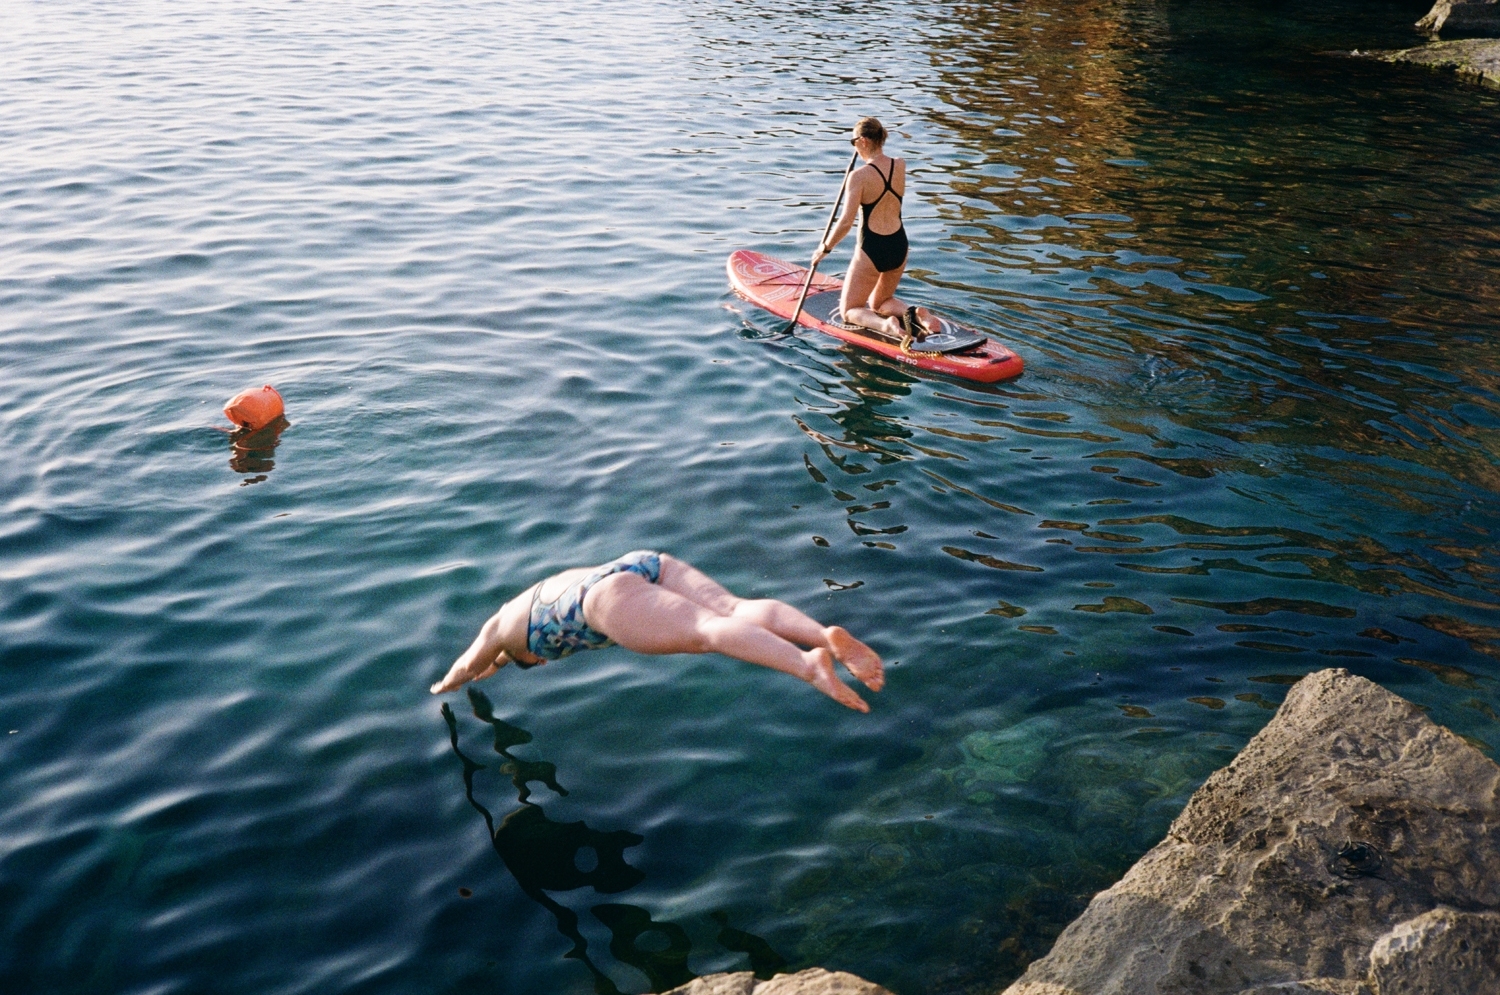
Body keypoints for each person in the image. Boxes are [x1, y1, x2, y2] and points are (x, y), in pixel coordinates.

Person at [430, 551, 884, 712]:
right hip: (641, 563)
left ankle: (808, 665)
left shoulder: (503, 635)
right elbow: (487, 663)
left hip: (598, 604)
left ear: (534, 658)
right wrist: (480, 670)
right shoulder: (511, 624)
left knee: (708, 631)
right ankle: (822, 635)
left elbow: (468, 665)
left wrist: (444, 686)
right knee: (733, 607)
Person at [811, 117, 941, 352]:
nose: (853, 147)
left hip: (873, 248)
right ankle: (915, 314)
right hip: (899, 245)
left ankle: (888, 326)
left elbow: (845, 222)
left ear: (862, 140)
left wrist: (825, 248)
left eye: (853, 142)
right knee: (879, 302)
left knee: (849, 311)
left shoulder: (858, 177)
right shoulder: (900, 164)